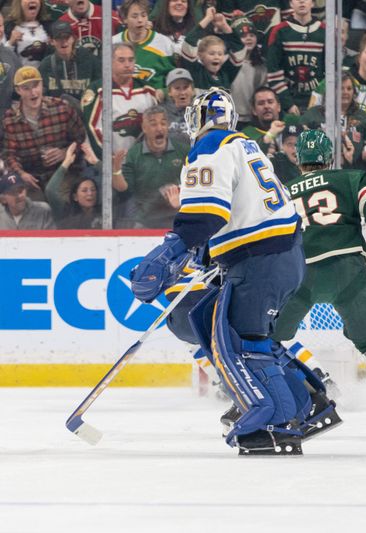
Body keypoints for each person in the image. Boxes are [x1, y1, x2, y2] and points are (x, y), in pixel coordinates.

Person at [130, 87, 338, 455]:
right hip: (284, 254)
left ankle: (277, 425)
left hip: (260, 258)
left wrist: (171, 251)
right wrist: (206, 256)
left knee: (244, 343)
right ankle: (308, 405)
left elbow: (207, 215)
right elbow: (240, 212)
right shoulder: (247, 146)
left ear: (199, 119)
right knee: (246, 334)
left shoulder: (209, 148)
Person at [271, 129, 366, 437]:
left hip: (300, 274)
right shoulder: (350, 179)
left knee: (269, 341)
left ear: (299, 160)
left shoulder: (283, 192)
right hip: (347, 271)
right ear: (329, 158)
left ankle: (302, 395)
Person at [3, 65, 86, 196]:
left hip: (65, 172)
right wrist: (21, 174)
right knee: (32, 208)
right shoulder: (10, 118)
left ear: (42, 85)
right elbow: (10, 154)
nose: (33, 92)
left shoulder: (62, 108)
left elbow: (81, 140)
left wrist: (65, 153)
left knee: (63, 201)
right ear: (18, 90)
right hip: (32, 177)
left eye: (36, 86)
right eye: (26, 88)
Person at [115, 105, 190, 228]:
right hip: (145, 219)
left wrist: (181, 196)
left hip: (177, 215)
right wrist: (116, 170)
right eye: (153, 124)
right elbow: (125, 190)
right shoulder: (134, 154)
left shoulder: (183, 150)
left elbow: (195, 184)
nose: (159, 128)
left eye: (163, 123)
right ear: (144, 128)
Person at [82, 42, 159, 157]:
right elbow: (93, 130)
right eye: (121, 60)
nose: (127, 65)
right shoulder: (98, 90)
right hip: (106, 163)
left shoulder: (147, 90)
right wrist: (110, 160)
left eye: (131, 60)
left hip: (142, 162)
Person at [301, 72, 366, 169]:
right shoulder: (314, 114)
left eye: (349, 89)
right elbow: (298, 141)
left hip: (352, 175)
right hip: (320, 173)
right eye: (341, 88)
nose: (346, 92)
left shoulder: (361, 116)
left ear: (354, 92)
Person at [264, 0, 326, 115]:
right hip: (288, 102)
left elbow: (331, 72)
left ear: (312, 3)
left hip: (319, 102)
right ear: (291, 3)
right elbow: (273, 73)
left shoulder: (324, 31)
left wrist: (319, 101)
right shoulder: (279, 31)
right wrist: (288, 104)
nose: (302, 1)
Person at [112, 0, 175, 89]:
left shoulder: (164, 43)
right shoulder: (113, 43)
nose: (140, 20)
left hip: (155, 101)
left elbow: (174, 80)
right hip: (121, 99)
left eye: (143, 15)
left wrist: (164, 92)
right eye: (135, 16)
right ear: (125, 19)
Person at [179, 6, 245, 91]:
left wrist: (224, 26)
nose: (216, 57)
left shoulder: (226, 73)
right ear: (200, 55)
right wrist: (207, 19)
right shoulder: (196, 71)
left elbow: (240, 52)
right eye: (211, 53)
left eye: (220, 54)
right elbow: (189, 42)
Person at [38, 20, 100, 107]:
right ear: (51, 41)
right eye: (59, 38)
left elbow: (101, 89)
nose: (64, 42)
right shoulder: (45, 65)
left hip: (86, 114)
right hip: (59, 116)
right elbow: (41, 96)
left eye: (66, 37)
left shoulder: (90, 60)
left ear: (73, 38)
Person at [44, 140, 102, 228]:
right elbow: (50, 191)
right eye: (84, 190)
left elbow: (113, 182)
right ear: (75, 196)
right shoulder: (65, 212)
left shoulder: (105, 209)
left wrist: (96, 162)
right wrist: (66, 162)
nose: (90, 193)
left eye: (93, 190)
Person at [229, 14, 268, 126]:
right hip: (229, 118)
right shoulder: (227, 62)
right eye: (243, 35)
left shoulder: (261, 65)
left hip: (252, 119)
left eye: (252, 35)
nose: (249, 38)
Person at [240, 85, 300, 154]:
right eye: (261, 103)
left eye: (270, 102)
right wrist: (270, 134)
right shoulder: (246, 134)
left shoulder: (294, 122)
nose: (266, 106)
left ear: (279, 107)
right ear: (254, 110)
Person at [4, 0, 51, 67]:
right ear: (19, 3)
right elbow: (3, 57)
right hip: (18, 75)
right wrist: (11, 43)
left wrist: (51, 46)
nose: (32, 1)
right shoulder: (8, 27)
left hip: (44, 75)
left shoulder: (48, 26)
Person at [163, 67, 194, 145]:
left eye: (186, 87)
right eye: (177, 88)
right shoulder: (162, 113)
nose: (182, 92)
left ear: (192, 90)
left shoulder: (203, 111)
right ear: (169, 92)